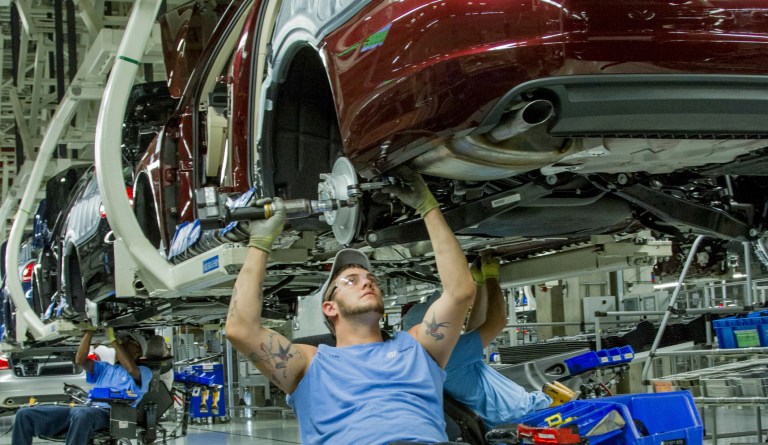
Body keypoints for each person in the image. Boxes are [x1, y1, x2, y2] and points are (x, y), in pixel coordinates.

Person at [225, 167, 475, 444]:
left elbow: (460, 292)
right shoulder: (311, 363)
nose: (367, 282)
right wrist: (260, 244)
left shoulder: (417, 346)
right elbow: (240, 329)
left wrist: (428, 207)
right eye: (351, 281)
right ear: (330, 308)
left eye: (371, 279)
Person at [402, 256, 552, 430]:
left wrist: (481, 285)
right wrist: (491, 278)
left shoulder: (431, 358)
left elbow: (473, 331)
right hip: (522, 416)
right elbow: (497, 321)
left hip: (513, 417)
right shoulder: (448, 355)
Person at [12, 329, 166, 445]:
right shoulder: (105, 367)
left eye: (128, 341)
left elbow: (131, 369)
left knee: (83, 415)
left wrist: (113, 341)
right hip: (86, 408)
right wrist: (89, 332)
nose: (122, 343)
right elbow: (80, 360)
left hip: (111, 414)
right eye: (122, 341)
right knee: (24, 414)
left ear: (138, 350)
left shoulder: (144, 372)